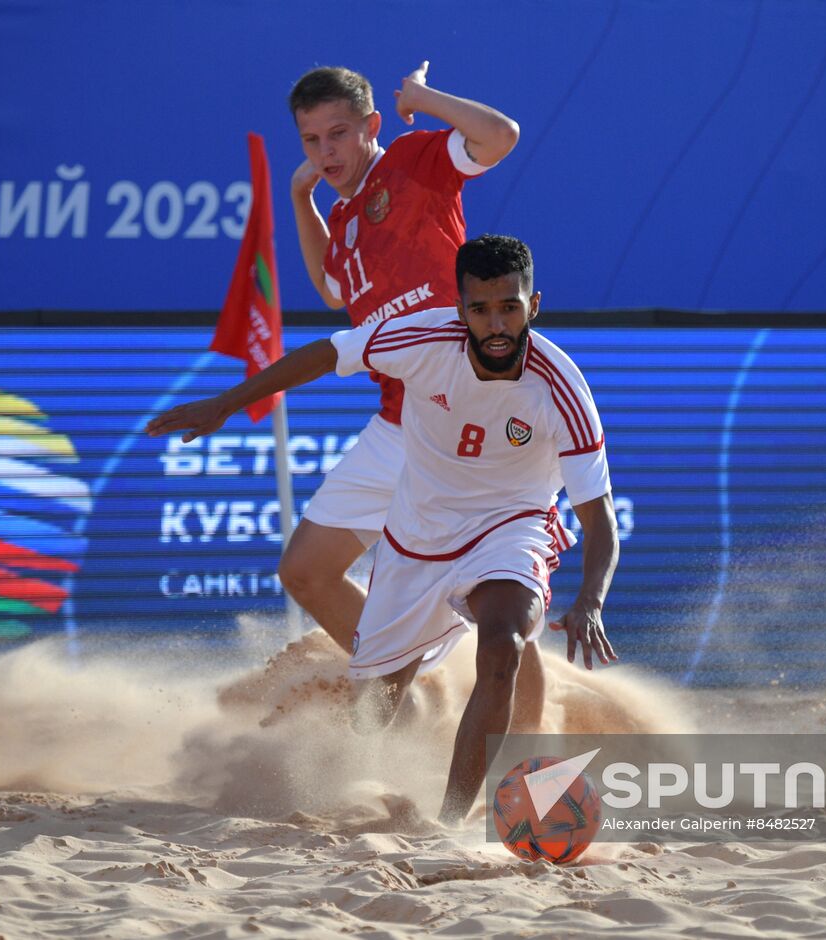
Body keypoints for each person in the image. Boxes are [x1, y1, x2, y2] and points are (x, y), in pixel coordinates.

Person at [147, 235, 619, 824]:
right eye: (480, 309)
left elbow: (599, 519)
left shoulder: (562, 388)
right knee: (377, 705)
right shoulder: (422, 338)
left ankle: (450, 824)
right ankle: (338, 783)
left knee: (504, 645)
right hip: (417, 535)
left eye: (510, 307)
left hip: (511, 526)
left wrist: (591, 600)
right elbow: (327, 352)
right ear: (459, 309)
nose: (496, 323)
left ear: (534, 304)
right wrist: (227, 401)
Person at [282, 63, 519, 663]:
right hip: (396, 422)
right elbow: (333, 289)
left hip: (462, 415)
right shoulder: (342, 215)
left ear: (372, 126)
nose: (325, 150)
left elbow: (501, 135)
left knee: (487, 595)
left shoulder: (414, 162)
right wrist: (300, 198)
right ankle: (401, 676)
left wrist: (424, 97)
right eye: (311, 139)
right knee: (305, 571)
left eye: (338, 133)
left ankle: (524, 732)